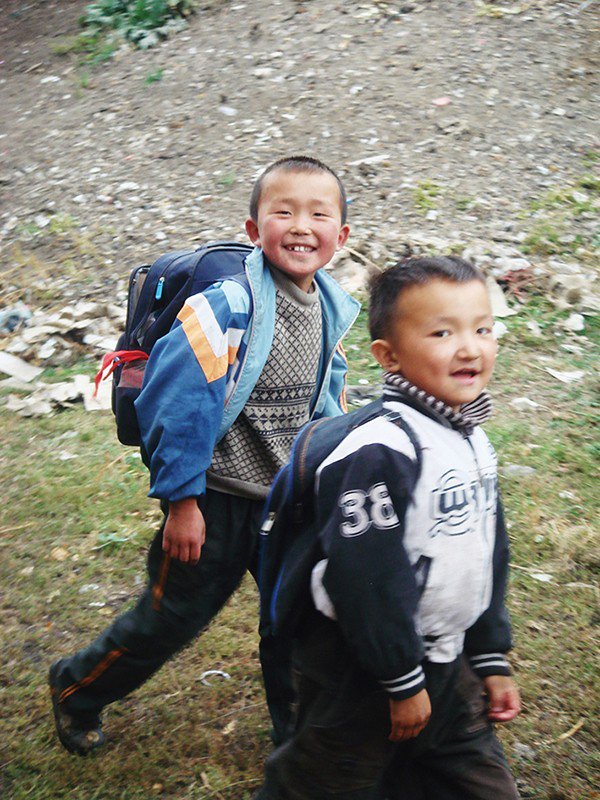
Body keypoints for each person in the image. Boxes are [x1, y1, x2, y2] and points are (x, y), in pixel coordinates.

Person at [48, 156, 359, 756]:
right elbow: (180, 403)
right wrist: (181, 500)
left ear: (341, 235)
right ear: (253, 229)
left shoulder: (328, 304)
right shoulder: (228, 305)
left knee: (297, 619)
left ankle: (296, 741)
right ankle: (76, 687)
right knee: (172, 616)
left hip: (284, 500)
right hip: (214, 500)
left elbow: (328, 395)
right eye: (284, 212)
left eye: (319, 215)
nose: (301, 226)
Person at [255, 256, 521, 800]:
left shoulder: (470, 436)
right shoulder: (379, 450)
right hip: (362, 672)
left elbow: (486, 551)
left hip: (448, 659)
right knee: (325, 781)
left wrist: (489, 654)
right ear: (388, 356)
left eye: (482, 329)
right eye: (443, 333)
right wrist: (400, 679)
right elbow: (366, 578)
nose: (470, 348)